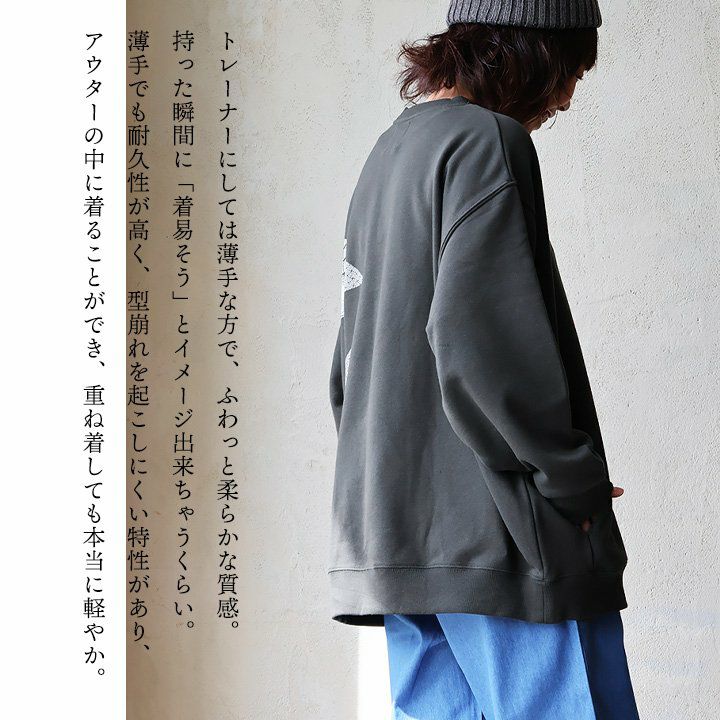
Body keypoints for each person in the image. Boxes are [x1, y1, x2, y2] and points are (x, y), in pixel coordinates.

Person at [327, 1, 639, 717]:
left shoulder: (390, 152)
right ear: (530, 51)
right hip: (500, 540)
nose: (566, 98)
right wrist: (570, 479)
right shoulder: (487, 142)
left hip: (397, 537)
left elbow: (350, 362)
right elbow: (485, 346)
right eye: (570, 72)